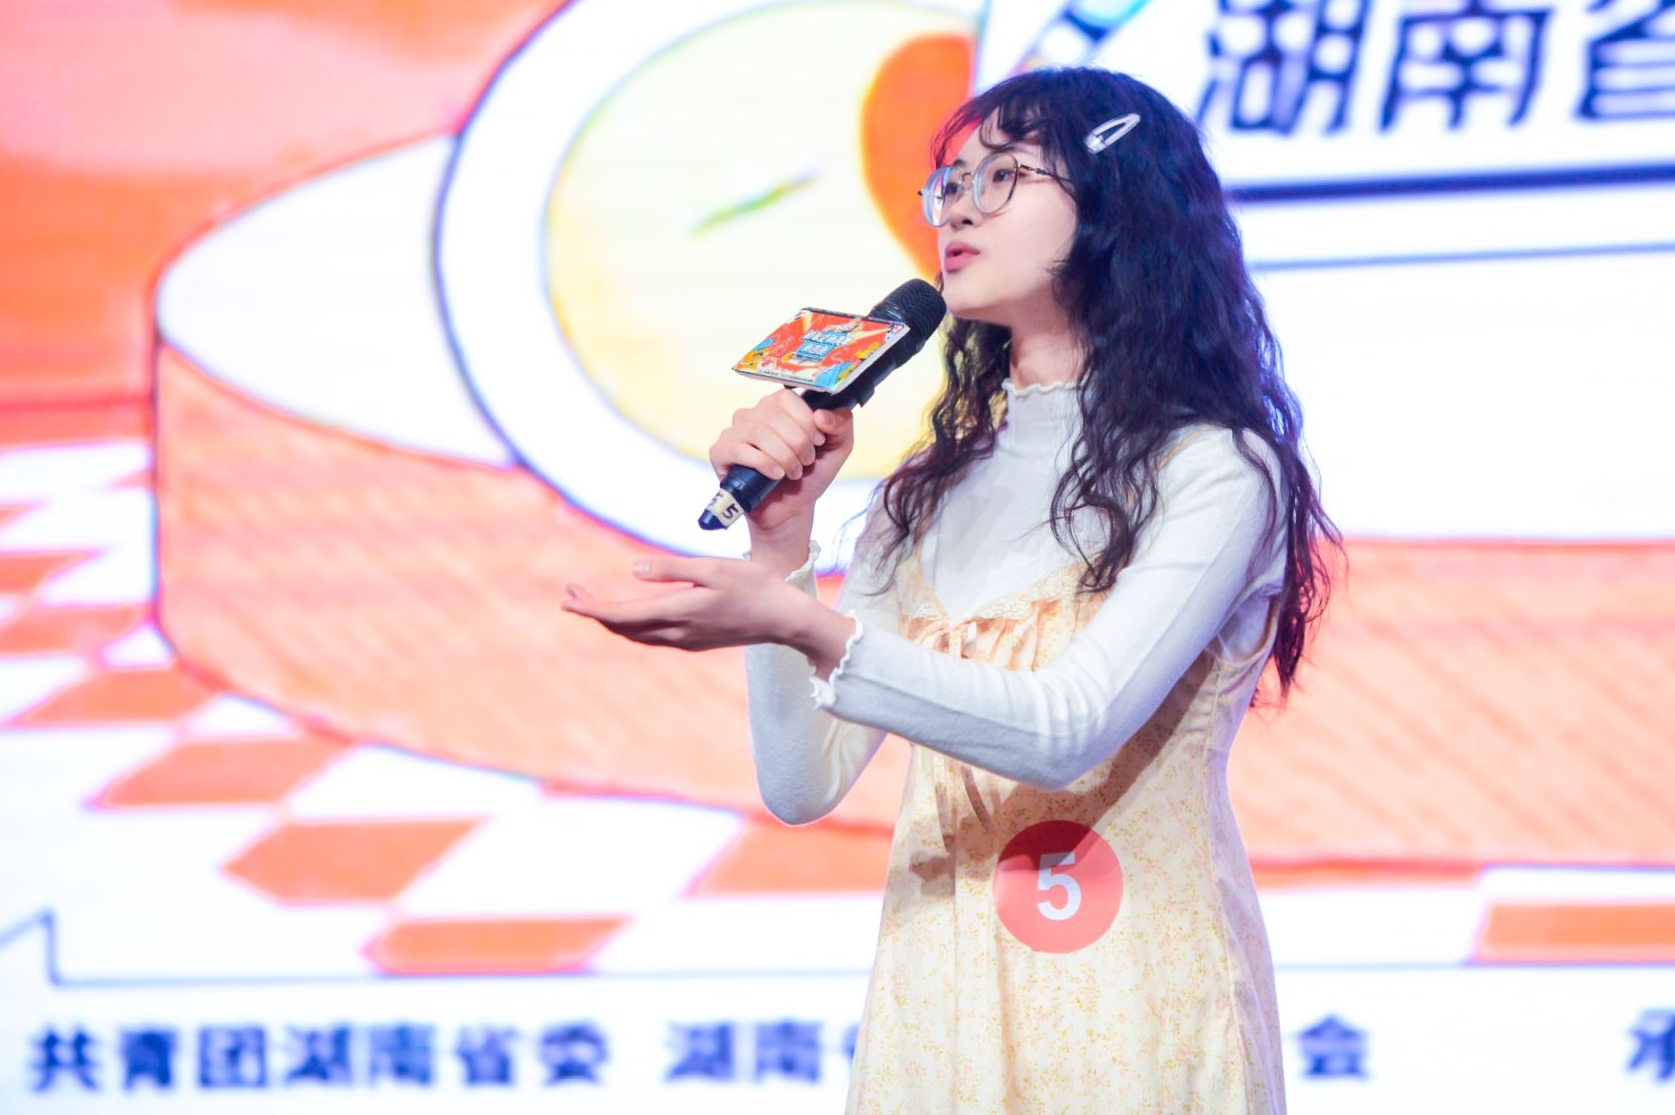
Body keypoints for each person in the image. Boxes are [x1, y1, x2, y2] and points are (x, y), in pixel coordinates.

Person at [563, 67, 1338, 1112]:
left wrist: (804, 625)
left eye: (1004, 175)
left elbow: (1067, 730)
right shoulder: (925, 494)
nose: (959, 207)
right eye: (952, 182)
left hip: (1134, 1002)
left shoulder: (1214, 470)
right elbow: (801, 784)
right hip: (941, 1007)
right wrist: (779, 545)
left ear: (1119, 204)